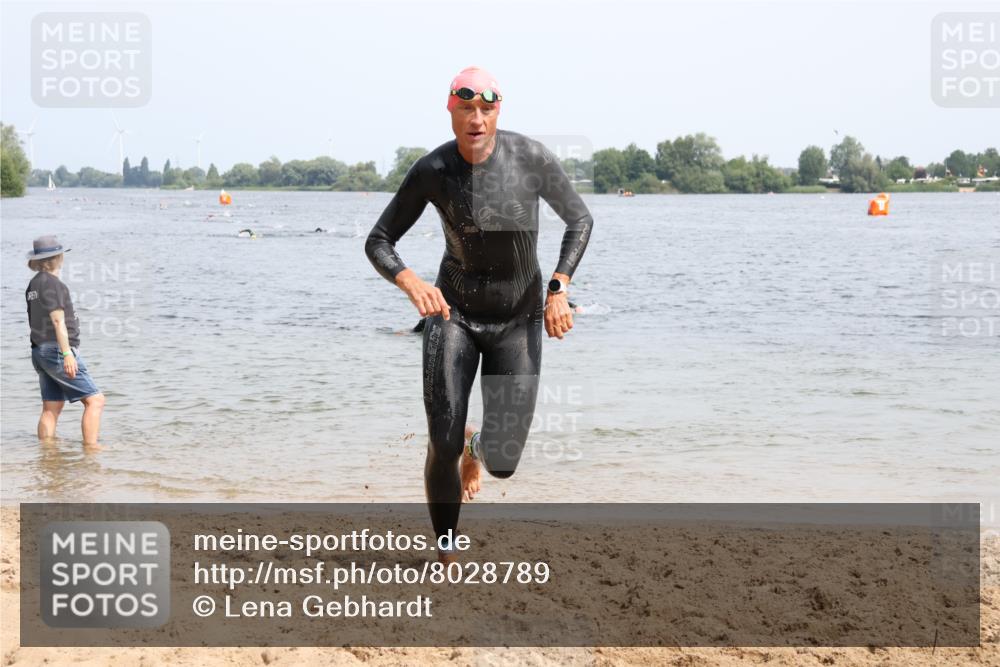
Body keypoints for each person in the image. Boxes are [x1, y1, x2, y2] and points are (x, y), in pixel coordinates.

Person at [365, 66, 593, 560]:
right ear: (450, 110)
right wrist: (410, 281)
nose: (476, 119)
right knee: (441, 442)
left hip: (519, 317)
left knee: (504, 461)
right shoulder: (433, 170)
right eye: (466, 108)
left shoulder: (528, 156)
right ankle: (445, 548)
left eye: (486, 109)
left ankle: (477, 451)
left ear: (497, 113)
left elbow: (579, 218)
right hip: (455, 315)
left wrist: (558, 288)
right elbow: (379, 240)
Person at [24, 235, 106, 450]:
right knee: (95, 401)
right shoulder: (52, 284)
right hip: (55, 350)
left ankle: (47, 452)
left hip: (39, 351)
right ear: (58, 257)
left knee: (52, 406)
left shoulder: (34, 284)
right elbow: (58, 320)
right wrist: (67, 353)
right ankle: (92, 449)